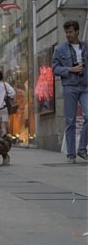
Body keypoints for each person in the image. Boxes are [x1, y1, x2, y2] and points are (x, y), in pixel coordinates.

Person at [52, 20, 87, 163]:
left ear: (77, 31)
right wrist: (69, 69)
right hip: (70, 86)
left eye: (70, 32)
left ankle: (82, 149)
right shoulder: (59, 50)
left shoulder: (86, 47)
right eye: (66, 32)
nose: (68, 35)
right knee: (70, 120)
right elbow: (54, 69)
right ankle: (71, 154)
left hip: (85, 86)